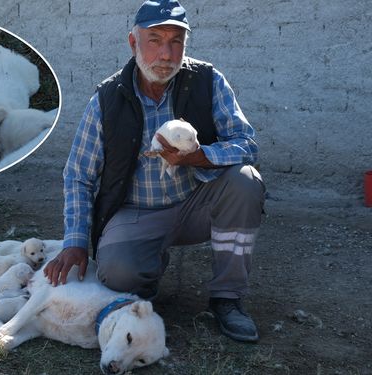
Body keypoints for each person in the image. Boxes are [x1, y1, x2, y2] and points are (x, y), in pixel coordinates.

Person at [43, 0, 265, 343]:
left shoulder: (206, 80)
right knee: (119, 275)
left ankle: (228, 298)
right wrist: (74, 242)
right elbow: (79, 175)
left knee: (246, 182)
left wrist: (198, 156)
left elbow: (247, 144)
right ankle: (146, 270)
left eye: (176, 41)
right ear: (133, 43)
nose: (166, 54)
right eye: (155, 40)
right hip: (135, 213)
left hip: (195, 203)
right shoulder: (107, 98)